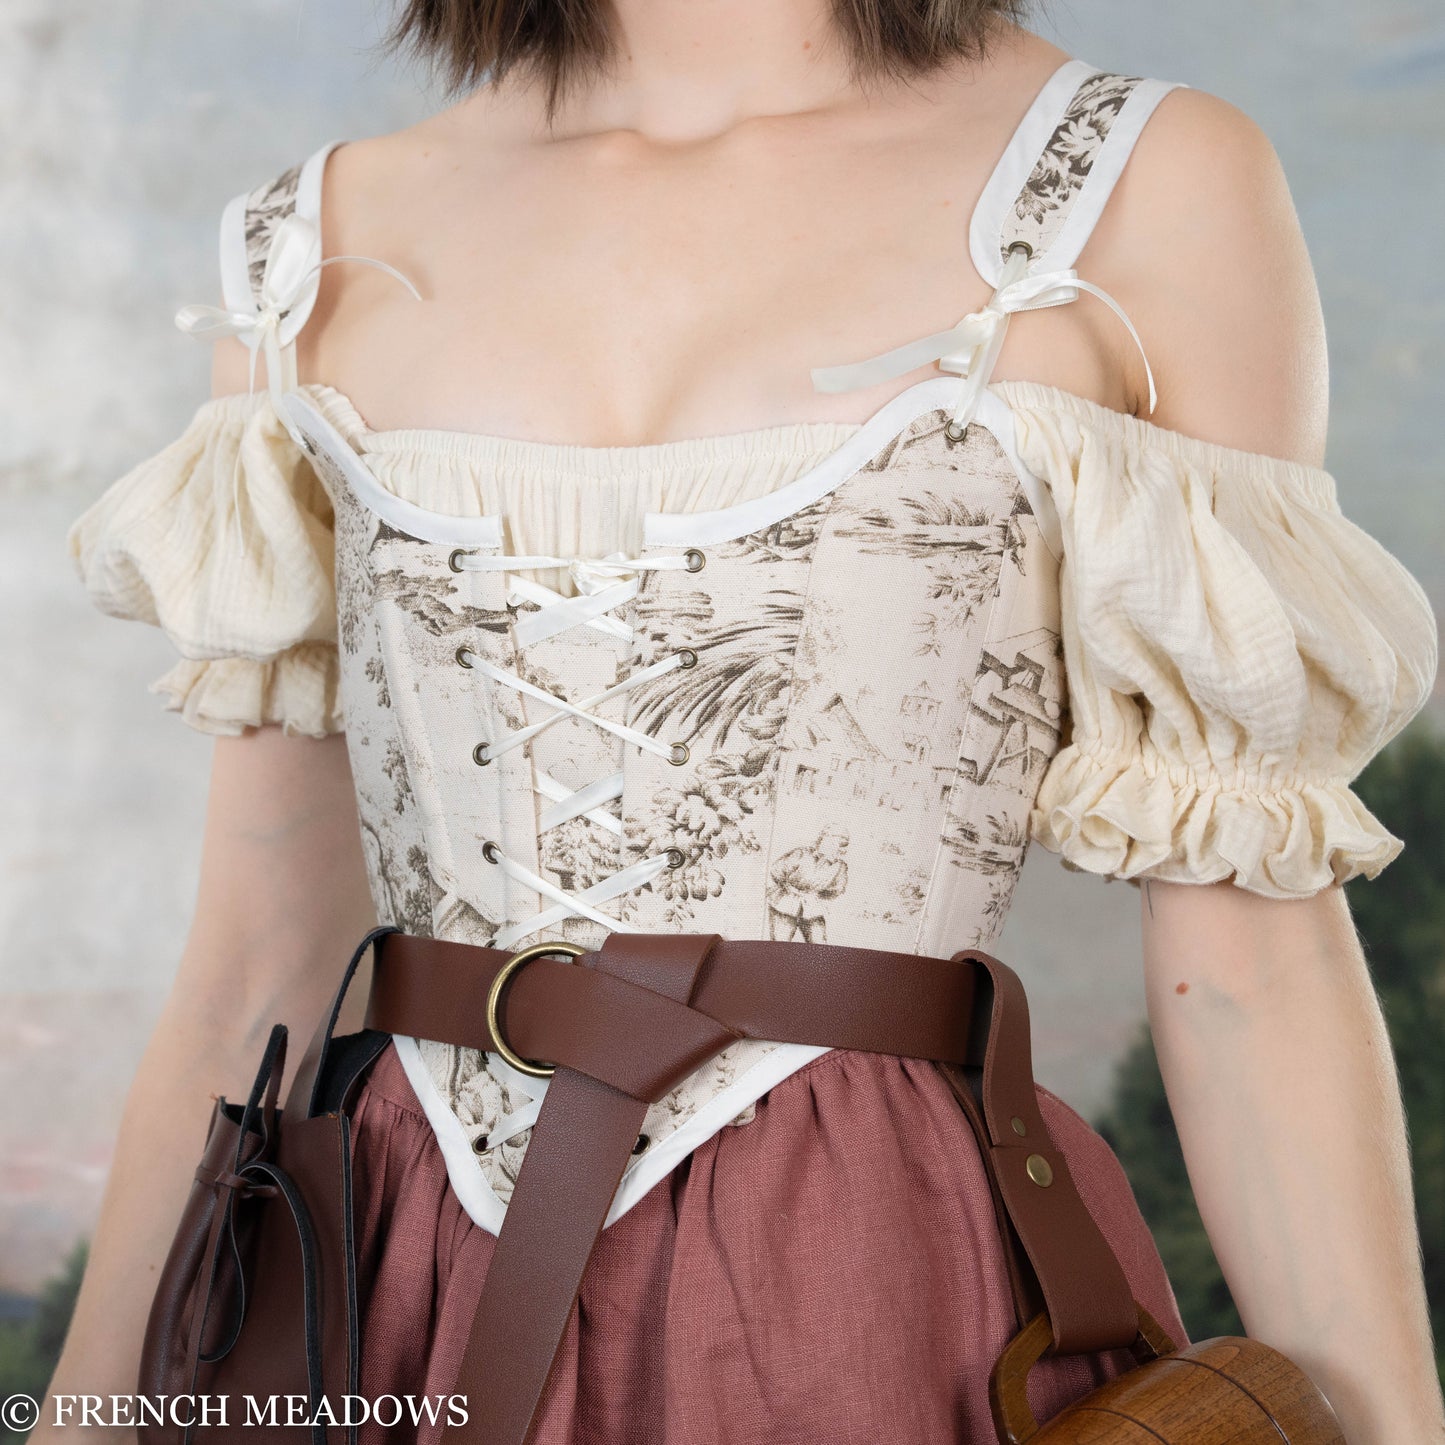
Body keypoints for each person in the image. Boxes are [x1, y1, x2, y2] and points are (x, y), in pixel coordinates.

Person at [46, 1, 1445, 1442]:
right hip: (403, 1279)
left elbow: (1247, 951)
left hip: (865, 1275)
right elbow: (253, 966)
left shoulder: (1134, 183)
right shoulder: (310, 244)